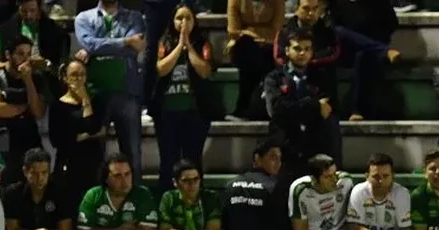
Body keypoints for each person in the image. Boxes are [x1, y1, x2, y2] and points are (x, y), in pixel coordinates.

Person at [74, 0, 148, 183]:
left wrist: (95, 48)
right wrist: (125, 41)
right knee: (94, 155)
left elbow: (134, 49)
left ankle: (135, 200)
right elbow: (88, 43)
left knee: (132, 154)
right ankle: (98, 201)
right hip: (95, 94)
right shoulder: (84, 18)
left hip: (127, 93)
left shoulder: (135, 17)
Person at [152, 3, 216, 191]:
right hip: (167, 113)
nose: (184, 22)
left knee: (193, 160)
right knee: (167, 162)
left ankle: (196, 203)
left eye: (188, 18)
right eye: (180, 18)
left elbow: (204, 71)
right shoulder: (164, 42)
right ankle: (166, 205)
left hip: (195, 113)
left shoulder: (202, 43)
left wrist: (189, 46)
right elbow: (161, 70)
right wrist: (179, 46)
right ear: (173, 21)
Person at [265, 28, 338, 179]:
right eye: (297, 48)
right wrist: (313, 105)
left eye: (307, 49)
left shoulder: (322, 78)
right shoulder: (274, 78)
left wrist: (292, 107)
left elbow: (327, 109)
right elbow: (275, 109)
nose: (303, 53)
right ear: (286, 50)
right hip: (286, 144)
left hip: (315, 142)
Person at [0, 35, 47, 185]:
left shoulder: (36, 77)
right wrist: (25, 107)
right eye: (20, 54)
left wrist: (28, 81)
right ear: (8, 55)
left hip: (30, 138)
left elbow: (38, 111)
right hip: (4, 140)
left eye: (28, 54)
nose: (25, 59)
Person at [49, 58, 105, 220]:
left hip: (93, 161)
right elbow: (57, 140)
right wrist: (84, 134)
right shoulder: (57, 106)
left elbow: (96, 128)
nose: (78, 79)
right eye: (74, 75)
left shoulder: (96, 101)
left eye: (82, 75)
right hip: (68, 164)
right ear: (65, 78)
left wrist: (85, 100)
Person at [76, 153, 158, 230]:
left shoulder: (142, 194)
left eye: (127, 174)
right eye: (117, 176)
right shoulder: (93, 195)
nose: (124, 181)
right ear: (106, 179)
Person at [221, 136, 288, 230]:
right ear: (258, 159)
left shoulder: (230, 185)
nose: (278, 163)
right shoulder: (276, 188)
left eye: (280, 159)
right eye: (273, 157)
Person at [227, 0, 285, 118]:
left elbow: (276, 29)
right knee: (248, 46)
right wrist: (256, 37)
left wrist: (250, 33)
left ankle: (244, 107)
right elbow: (233, 30)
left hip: (269, 46)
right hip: (243, 45)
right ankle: (261, 102)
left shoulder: (277, 2)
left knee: (257, 57)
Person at [3, 147, 71, 230]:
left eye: (44, 173)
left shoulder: (60, 192)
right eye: (34, 173)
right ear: (25, 171)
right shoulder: (13, 193)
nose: (40, 178)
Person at [345, 153, 413, 230]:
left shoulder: (402, 194)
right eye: (376, 176)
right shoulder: (359, 192)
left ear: (393, 176)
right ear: (367, 176)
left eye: (385, 176)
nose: (381, 181)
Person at [289, 153, 355, 230]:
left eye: (335, 174)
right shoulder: (301, 190)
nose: (335, 180)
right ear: (315, 180)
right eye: (328, 177)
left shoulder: (346, 182)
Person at [158, 159, 222, 230]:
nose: (192, 184)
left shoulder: (210, 197)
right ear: (175, 182)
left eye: (196, 179)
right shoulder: (169, 197)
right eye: (185, 180)